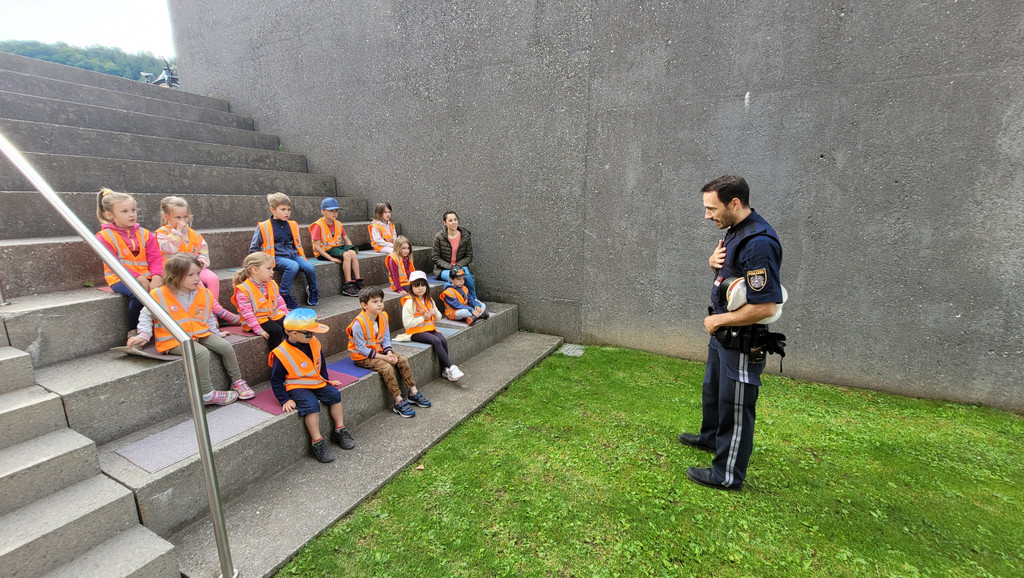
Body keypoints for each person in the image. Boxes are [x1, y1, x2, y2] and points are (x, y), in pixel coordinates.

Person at [678, 175, 784, 491]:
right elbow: (733, 279)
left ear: (734, 203)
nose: (707, 215)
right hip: (724, 335)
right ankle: (711, 438)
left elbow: (766, 307)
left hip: (741, 339)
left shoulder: (759, 243)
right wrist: (714, 265)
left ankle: (727, 474)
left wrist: (719, 322)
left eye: (712, 209)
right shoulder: (735, 232)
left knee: (736, 405)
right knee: (714, 391)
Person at [127, 254, 254, 404]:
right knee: (201, 353)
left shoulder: (203, 293)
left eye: (198, 274)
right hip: (173, 339)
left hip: (199, 332)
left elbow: (207, 317)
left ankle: (237, 381)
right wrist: (144, 334)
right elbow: (146, 315)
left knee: (225, 346)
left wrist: (215, 333)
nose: (197, 279)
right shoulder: (159, 294)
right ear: (175, 276)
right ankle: (207, 394)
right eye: (190, 275)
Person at [270, 308, 355, 463]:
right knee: (311, 405)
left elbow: (320, 362)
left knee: (334, 395)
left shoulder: (313, 341)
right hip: (296, 386)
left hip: (316, 381)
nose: (313, 335)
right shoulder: (281, 353)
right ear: (293, 333)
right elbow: (275, 380)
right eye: (309, 332)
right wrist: (284, 399)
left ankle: (339, 430)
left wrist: (326, 380)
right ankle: (317, 443)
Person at [347, 286, 430, 418]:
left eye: (381, 300)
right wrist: (384, 358)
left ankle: (413, 393)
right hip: (362, 356)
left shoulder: (383, 316)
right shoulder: (358, 323)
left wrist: (389, 352)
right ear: (364, 305)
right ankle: (398, 401)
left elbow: (385, 338)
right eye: (375, 301)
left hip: (379, 351)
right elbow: (361, 349)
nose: (379, 304)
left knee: (402, 359)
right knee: (386, 368)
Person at [155, 195, 239, 325]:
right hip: (176, 270)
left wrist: (201, 264)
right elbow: (169, 249)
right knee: (197, 282)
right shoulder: (161, 233)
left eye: (185, 216)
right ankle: (214, 312)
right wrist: (177, 232)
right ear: (166, 217)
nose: (182, 220)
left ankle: (209, 310)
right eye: (177, 217)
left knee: (212, 278)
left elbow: (203, 252)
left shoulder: (194, 234)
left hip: (195, 267)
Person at [95, 187, 164, 330]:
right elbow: (115, 264)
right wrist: (138, 277)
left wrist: (157, 276)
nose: (131, 214)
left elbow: (155, 258)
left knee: (170, 289)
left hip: (148, 275)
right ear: (109, 214)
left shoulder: (145, 234)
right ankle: (134, 330)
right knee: (138, 295)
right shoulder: (104, 237)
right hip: (119, 278)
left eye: (133, 210)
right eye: (125, 211)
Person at [248, 192, 319, 309]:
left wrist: (300, 256)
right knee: (293, 266)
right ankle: (284, 294)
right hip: (274, 257)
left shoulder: (292, 225)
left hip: (292, 255)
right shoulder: (264, 226)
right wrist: (256, 265)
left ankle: (313, 290)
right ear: (273, 210)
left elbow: (296, 245)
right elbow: (254, 248)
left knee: (309, 267)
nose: (287, 213)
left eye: (289, 209)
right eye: (283, 209)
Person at [402, 271, 463, 382]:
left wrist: (434, 313)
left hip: (428, 329)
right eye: (417, 285)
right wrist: (423, 318)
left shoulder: (429, 300)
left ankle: (445, 370)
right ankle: (451, 366)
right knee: (436, 340)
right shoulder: (409, 302)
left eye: (423, 285)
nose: (420, 288)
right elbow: (407, 324)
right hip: (414, 332)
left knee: (442, 340)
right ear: (411, 287)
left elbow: (439, 317)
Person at [232, 252, 290, 350]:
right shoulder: (243, 289)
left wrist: (288, 316)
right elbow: (247, 313)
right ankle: (275, 357)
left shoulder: (271, 284)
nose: (272, 272)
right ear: (255, 270)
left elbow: (279, 301)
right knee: (276, 330)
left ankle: (291, 353)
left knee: (289, 326)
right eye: (268, 268)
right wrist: (258, 330)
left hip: (271, 315)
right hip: (256, 320)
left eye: (272, 268)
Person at [310, 197, 363, 297]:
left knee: (351, 252)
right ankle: (348, 285)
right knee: (347, 255)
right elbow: (316, 246)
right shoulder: (318, 225)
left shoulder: (338, 223)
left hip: (336, 248)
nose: (334, 213)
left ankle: (358, 281)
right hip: (324, 252)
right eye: (331, 211)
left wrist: (350, 248)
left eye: (336, 211)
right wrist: (331, 258)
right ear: (323, 211)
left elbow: (346, 239)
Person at [431, 211, 478, 301]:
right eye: (450, 220)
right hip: (444, 269)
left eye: (455, 219)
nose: (454, 222)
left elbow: (469, 256)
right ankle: (459, 301)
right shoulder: (439, 237)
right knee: (454, 278)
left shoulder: (465, 236)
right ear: (445, 223)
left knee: (467, 276)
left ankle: (474, 299)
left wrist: (458, 266)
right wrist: (451, 267)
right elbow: (435, 257)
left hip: (460, 266)